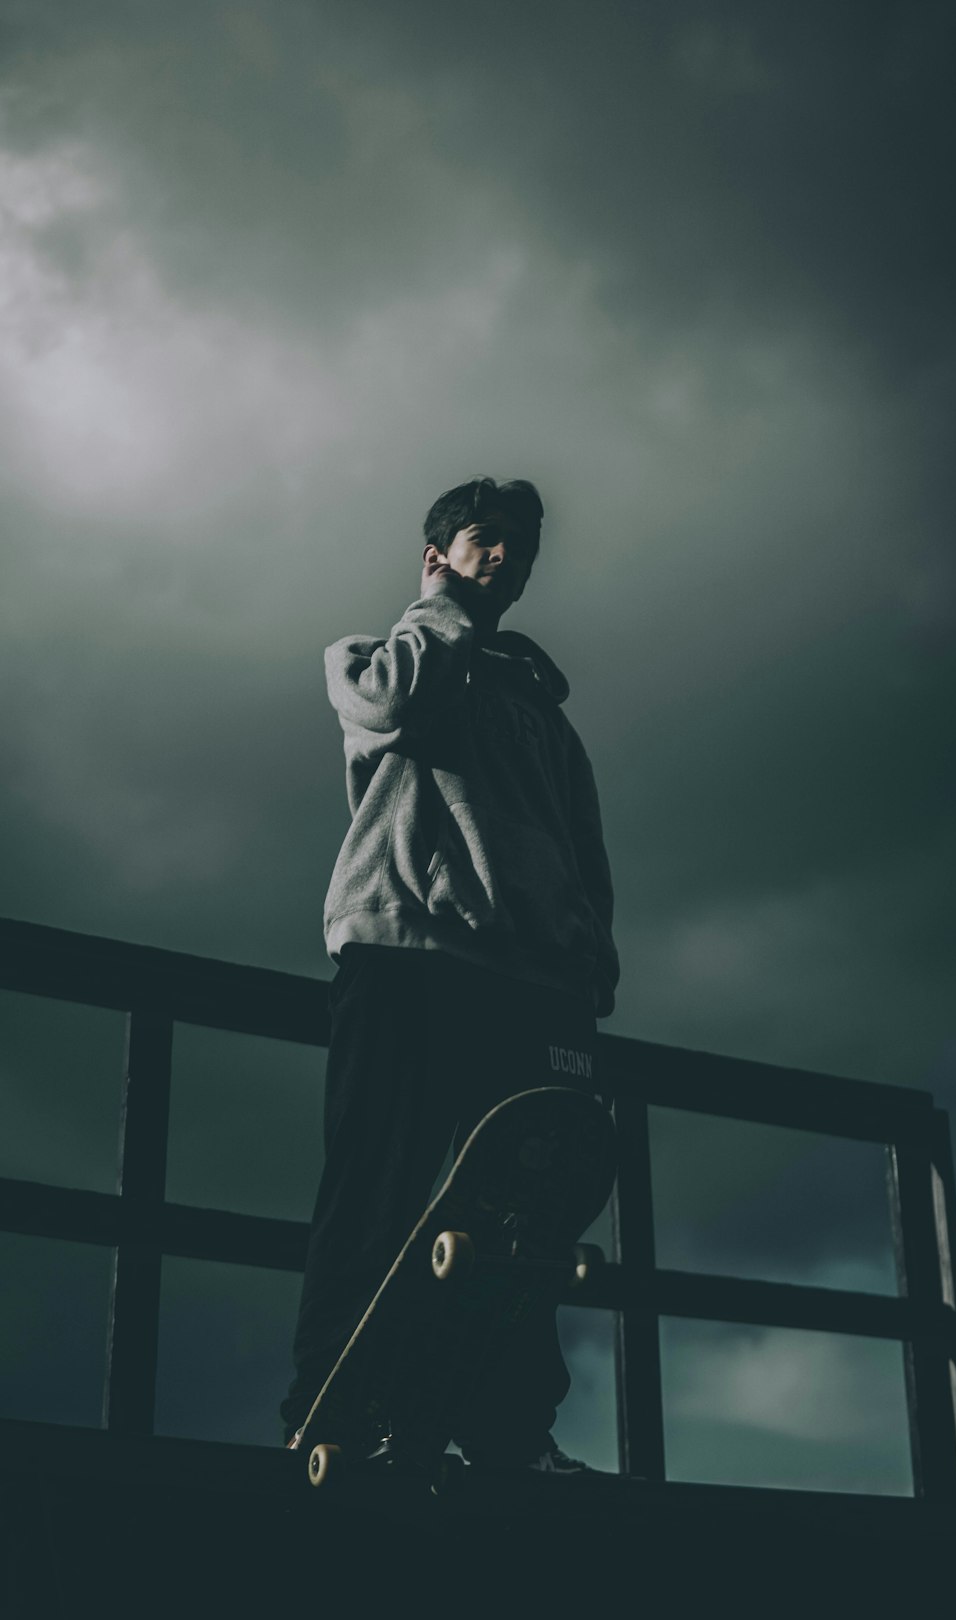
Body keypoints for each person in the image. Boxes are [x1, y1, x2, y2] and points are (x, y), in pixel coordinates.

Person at [281, 476, 619, 1474]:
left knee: (524, 1220)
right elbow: (385, 704)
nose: (507, 557)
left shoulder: (544, 716)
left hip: (531, 988)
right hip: (408, 956)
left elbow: (580, 851)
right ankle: (334, 1401)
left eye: (520, 547)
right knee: (378, 1190)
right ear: (439, 554)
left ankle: (510, 1429)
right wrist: (447, 607)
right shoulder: (379, 658)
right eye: (486, 540)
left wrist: (589, 965)